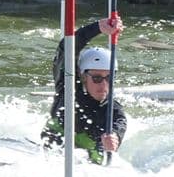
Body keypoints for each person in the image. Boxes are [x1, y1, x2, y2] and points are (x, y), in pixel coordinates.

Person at [40, 17, 127, 164]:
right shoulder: (68, 89)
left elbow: (119, 125)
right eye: (97, 78)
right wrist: (98, 28)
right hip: (53, 151)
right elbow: (67, 48)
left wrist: (115, 138)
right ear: (83, 76)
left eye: (109, 78)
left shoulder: (113, 110)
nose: (104, 85)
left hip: (88, 165)